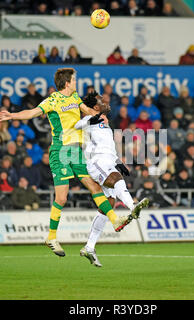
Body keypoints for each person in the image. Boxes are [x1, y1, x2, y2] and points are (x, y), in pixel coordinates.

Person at [0, 67, 138, 257]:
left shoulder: (75, 97)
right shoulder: (53, 100)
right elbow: (33, 112)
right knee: (61, 198)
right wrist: (12, 115)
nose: (77, 82)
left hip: (76, 151)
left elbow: (87, 110)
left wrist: (97, 114)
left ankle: (114, 220)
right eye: (74, 79)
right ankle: (51, 236)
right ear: (67, 82)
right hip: (60, 151)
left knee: (94, 187)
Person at [75, 91, 149, 267]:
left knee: (108, 204)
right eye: (102, 101)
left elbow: (108, 146)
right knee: (116, 179)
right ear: (95, 107)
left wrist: (118, 161)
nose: (106, 103)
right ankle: (133, 207)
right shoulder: (90, 120)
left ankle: (89, 247)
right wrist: (89, 120)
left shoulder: (105, 123)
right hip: (96, 162)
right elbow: (77, 125)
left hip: (108, 160)